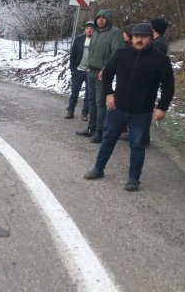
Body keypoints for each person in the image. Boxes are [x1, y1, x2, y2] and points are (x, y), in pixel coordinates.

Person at [83, 23, 174, 191]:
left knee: (137, 144)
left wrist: (162, 107)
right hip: (118, 108)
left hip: (142, 111)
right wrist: (109, 94)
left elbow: (168, 85)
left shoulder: (160, 59)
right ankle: (98, 168)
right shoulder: (121, 54)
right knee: (108, 139)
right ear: (131, 38)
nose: (139, 40)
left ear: (150, 38)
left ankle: (133, 178)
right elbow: (108, 73)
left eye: (143, 37)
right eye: (136, 36)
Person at [75, 10, 124, 143]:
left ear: (108, 19)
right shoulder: (95, 33)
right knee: (91, 100)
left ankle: (100, 131)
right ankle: (91, 128)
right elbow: (91, 50)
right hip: (91, 70)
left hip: (103, 73)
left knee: (100, 103)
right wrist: (89, 65)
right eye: (99, 18)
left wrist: (106, 69)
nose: (100, 20)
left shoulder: (115, 32)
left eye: (103, 18)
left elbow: (116, 53)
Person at [65, 20, 94, 120]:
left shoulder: (96, 40)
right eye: (87, 28)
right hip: (78, 70)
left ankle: (85, 113)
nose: (89, 30)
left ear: (94, 30)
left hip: (90, 71)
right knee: (74, 92)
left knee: (88, 94)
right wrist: (73, 69)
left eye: (91, 28)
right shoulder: (79, 39)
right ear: (85, 29)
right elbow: (72, 55)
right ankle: (70, 110)